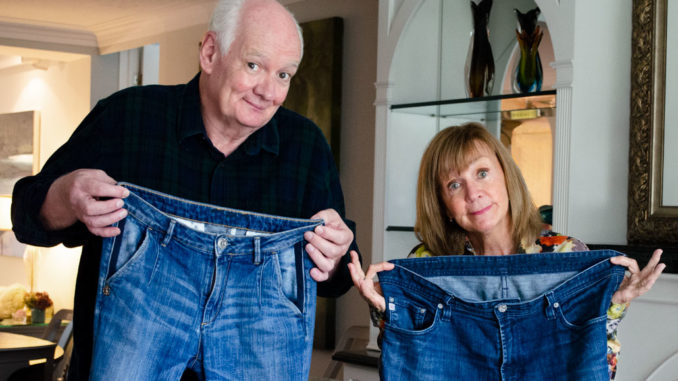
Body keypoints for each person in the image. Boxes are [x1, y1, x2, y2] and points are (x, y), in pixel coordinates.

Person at [11, 0, 358, 379]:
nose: (269, 92)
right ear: (210, 53)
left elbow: (338, 277)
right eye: (254, 66)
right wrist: (65, 195)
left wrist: (336, 254)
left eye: (284, 75)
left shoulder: (304, 147)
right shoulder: (127, 118)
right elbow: (27, 218)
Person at [348, 122, 665, 380]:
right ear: (442, 204)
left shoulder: (565, 255)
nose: (474, 193)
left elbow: (600, 369)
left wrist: (614, 304)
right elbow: (407, 365)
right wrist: (385, 308)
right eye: (454, 185)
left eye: (482, 173)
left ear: (506, 175)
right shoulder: (426, 264)